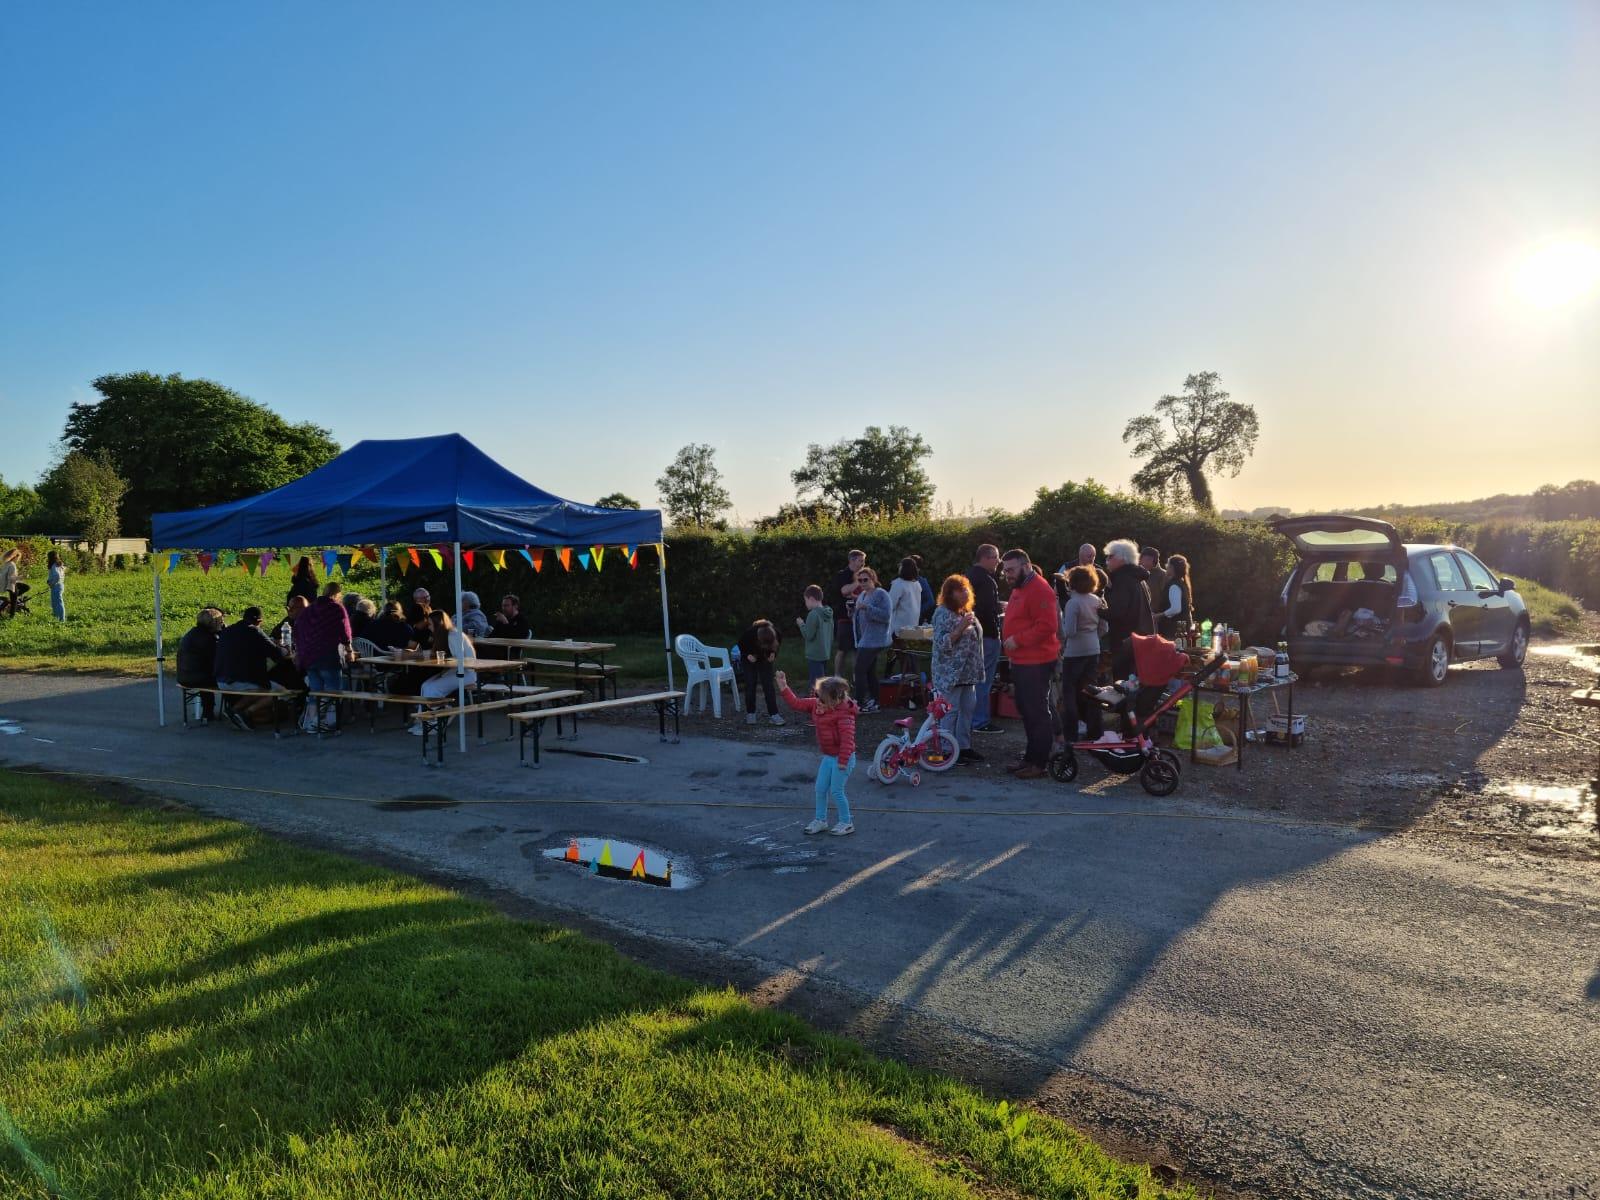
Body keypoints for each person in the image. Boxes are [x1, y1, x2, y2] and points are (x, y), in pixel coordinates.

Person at [998, 549, 1061, 778]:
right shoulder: (1020, 587)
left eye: (1011, 569)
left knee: (1037, 712)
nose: (1007, 574)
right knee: (1026, 710)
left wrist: (1017, 639)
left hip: (1037, 661)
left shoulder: (1040, 589)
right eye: (1005, 570)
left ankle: (1040, 763)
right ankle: (1030, 758)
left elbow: (1047, 626)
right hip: (1022, 660)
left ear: (1026, 566)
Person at [776, 670, 858, 837]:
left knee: (836, 790)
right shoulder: (816, 704)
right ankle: (821, 820)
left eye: (821, 698)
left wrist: (842, 762)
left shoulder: (844, 714)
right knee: (820, 788)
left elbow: (847, 742)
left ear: (834, 700)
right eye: (816, 695)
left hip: (844, 758)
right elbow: (796, 703)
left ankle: (846, 822)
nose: (817, 700)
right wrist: (784, 687)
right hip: (829, 757)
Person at [931, 574, 985, 763]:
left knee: (968, 709)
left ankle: (963, 747)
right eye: (959, 590)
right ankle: (947, 750)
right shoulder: (942, 613)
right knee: (950, 710)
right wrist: (960, 629)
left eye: (965, 589)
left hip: (967, 673)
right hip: (951, 673)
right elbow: (941, 643)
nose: (964, 592)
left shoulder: (965, 611)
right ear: (949, 593)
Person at [214, 606, 293, 730]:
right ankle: (247, 713)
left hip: (221, 681)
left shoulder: (227, 631)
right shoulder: (254, 631)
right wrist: (286, 650)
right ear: (259, 621)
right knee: (283, 692)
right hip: (241, 681)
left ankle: (234, 710)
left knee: (259, 687)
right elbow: (277, 654)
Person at [295, 581, 354, 732]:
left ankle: (312, 723)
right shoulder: (336, 608)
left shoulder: (310, 609)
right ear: (337, 594)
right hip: (328, 656)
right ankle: (327, 722)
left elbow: (298, 627)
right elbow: (345, 631)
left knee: (315, 691)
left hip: (309, 657)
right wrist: (349, 650)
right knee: (333, 690)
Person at [1058, 566, 1106, 742]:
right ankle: (1095, 731)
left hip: (1075, 652)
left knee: (1069, 692)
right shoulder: (1097, 600)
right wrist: (1094, 637)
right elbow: (1104, 627)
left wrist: (1061, 637)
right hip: (1093, 649)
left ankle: (1070, 732)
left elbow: (1069, 631)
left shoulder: (1073, 603)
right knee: (1090, 692)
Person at [1102, 538, 1155, 677]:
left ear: (1122, 558)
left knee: (1122, 683)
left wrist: (1097, 610)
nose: (1107, 560)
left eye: (1110, 556)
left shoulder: (1123, 579)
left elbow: (1117, 611)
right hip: (1139, 638)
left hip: (1125, 641)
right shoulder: (1137, 578)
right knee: (1134, 681)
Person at [965, 544, 1003, 734]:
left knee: (973, 678)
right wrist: (998, 613)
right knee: (984, 679)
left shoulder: (967, 577)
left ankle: (971, 718)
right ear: (985, 558)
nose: (998, 561)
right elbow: (987, 610)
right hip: (986, 634)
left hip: (969, 634)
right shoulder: (987, 580)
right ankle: (980, 720)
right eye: (996, 557)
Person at [850, 566, 891, 714]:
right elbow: (860, 617)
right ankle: (875, 701)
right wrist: (853, 612)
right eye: (859, 580)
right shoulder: (862, 595)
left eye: (865, 580)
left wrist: (867, 608)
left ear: (873, 579)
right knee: (869, 672)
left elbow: (886, 616)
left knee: (859, 670)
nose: (862, 583)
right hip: (864, 639)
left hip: (874, 640)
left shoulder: (881, 594)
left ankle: (859, 703)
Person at [175, 608, 225, 722]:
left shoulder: (191, 634)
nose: (222, 623)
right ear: (214, 623)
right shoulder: (208, 639)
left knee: (207, 676)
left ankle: (207, 713)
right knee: (228, 680)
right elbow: (217, 660)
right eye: (220, 621)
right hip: (199, 678)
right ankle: (234, 709)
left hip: (183, 677)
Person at [737, 619, 785, 725]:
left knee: (768, 684)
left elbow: (776, 646)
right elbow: (740, 645)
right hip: (749, 656)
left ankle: (774, 714)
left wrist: (773, 653)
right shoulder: (749, 634)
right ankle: (751, 713)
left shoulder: (777, 633)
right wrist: (748, 655)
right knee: (750, 683)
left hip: (765, 656)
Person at [830, 550, 866, 678]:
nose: (863, 563)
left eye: (863, 561)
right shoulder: (843, 575)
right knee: (842, 650)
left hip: (861, 619)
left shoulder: (865, 575)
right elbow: (844, 591)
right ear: (851, 560)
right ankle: (837, 676)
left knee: (857, 650)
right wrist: (858, 581)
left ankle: (857, 678)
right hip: (844, 618)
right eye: (860, 560)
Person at [795, 585, 834, 687]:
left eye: (806, 600)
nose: (805, 603)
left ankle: (816, 702)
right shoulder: (828, 613)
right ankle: (822, 701)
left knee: (816, 685)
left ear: (811, 599)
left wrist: (801, 625)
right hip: (825, 653)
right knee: (822, 682)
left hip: (814, 655)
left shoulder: (813, 614)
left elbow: (808, 635)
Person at [1157, 554, 1193, 638]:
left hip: (1174, 631)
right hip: (1182, 628)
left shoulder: (1174, 585)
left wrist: (1158, 615)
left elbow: (1176, 609)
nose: (1166, 567)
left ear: (1172, 567)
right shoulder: (1182, 584)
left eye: (1168, 565)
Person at [887, 558, 923, 641]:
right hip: (913, 623)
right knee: (908, 649)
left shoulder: (898, 584)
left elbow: (890, 604)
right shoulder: (917, 584)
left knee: (898, 651)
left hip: (899, 625)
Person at [1140, 546, 1168, 628]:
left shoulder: (1163, 575)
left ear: (1154, 560)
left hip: (1156, 619)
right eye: (1142, 559)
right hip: (1142, 618)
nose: (1143, 562)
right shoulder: (1139, 574)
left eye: (1147, 560)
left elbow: (1166, 599)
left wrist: (1158, 615)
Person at [911, 554, 937, 623]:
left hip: (916, 621)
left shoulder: (922, 582)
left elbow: (931, 601)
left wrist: (918, 611)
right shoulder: (900, 581)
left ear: (918, 568)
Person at [46, 551, 66, 621]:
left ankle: (61, 619)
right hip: (60, 585)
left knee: (58, 603)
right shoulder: (59, 564)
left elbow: (57, 576)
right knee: (55, 603)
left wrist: (52, 583)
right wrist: (49, 581)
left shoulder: (54, 565)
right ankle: (57, 618)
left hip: (56, 586)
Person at [0, 547, 19, 616]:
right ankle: (11, 616)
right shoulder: (12, 565)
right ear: (15, 557)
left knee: (12, 600)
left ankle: (9, 613)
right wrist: (22, 577)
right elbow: (11, 578)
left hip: (7, 584)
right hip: (11, 585)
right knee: (13, 602)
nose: (18, 560)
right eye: (18, 557)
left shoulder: (6, 564)